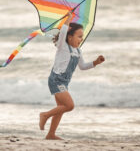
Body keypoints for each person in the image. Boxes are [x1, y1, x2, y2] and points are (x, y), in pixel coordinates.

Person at [39, 11, 105, 140]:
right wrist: (68, 20)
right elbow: (63, 33)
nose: (81, 39)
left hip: (64, 83)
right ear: (70, 37)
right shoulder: (62, 46)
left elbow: (83, 66)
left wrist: (96, 62)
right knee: (69, 106)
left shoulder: (78, 51)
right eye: (79, 36)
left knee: (61, 108)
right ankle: (45, 115)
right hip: (56, 80)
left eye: (82, 37)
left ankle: (51, 134)